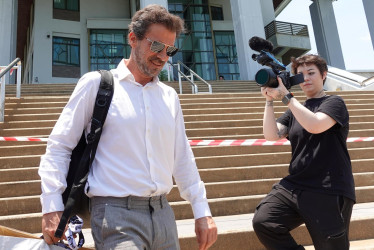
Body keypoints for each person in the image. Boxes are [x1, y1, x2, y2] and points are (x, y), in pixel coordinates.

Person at [39, 4, 217, 250]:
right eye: (156, 46)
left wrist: (201, 210)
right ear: (133, 39)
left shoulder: (169, 96)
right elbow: (59, 146)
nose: (163, 57)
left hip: (163, 214)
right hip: (114, 214)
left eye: (170, 50)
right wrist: (51, 206)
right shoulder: (96, 84)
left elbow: (182, 156)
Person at [252, 54, 355, 250]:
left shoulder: (334, 103)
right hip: (296, 185)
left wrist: (287, 98)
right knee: (264, 221)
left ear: (324, 75)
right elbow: (272, 135)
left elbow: (315, 125)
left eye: (311, 73)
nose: (305, 78)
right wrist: (269, 101)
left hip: (329, 187)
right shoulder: (295, 109)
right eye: (300, 75)